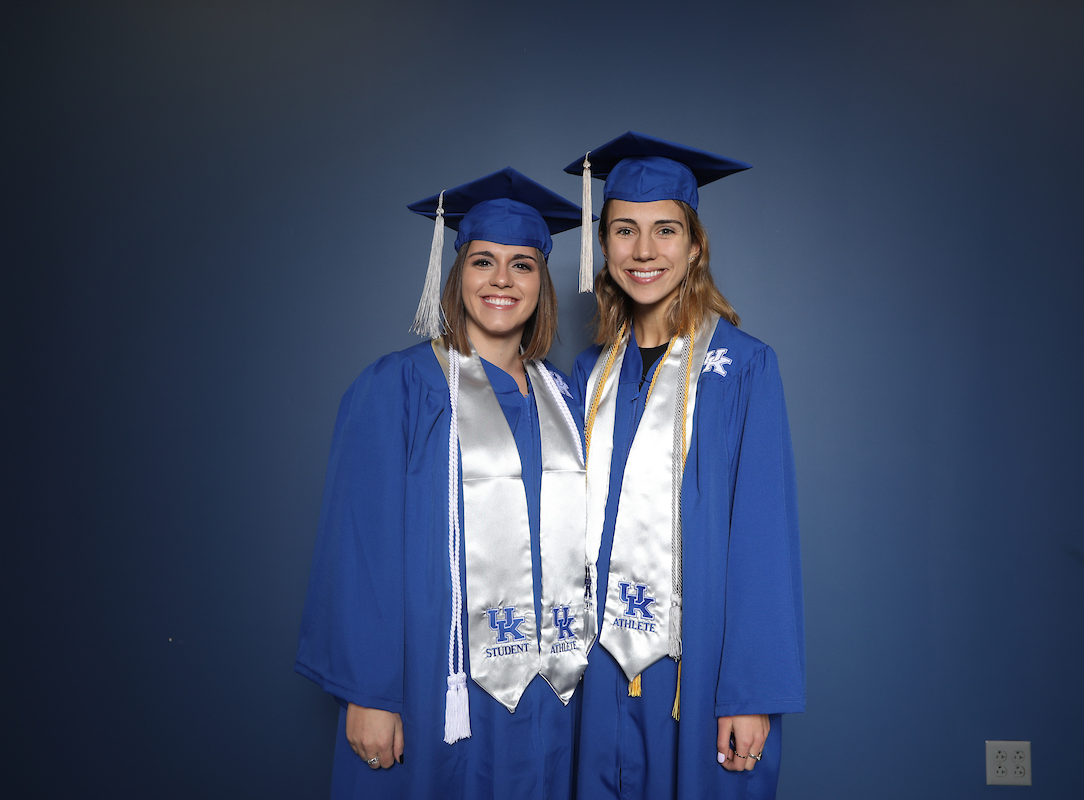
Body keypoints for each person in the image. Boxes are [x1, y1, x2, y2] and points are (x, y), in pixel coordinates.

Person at [296, 167, 594, 799]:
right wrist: (369, 693)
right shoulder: (400, 387)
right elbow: (361, 547)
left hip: (546, 686)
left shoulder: (562, 398)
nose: (502, 281)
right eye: (484, 262)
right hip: (439, 680)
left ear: (543, 282)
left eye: (522, 265)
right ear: (457, 275)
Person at [563, 133, 805, 799]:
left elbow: (763, 539)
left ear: (696, 244)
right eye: (624, 230)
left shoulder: (743, 367)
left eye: (665, 230)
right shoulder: (589, 375)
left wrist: (750, 692)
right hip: (597, 663)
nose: (644, 251)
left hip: (698, 667)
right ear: (603, 247)